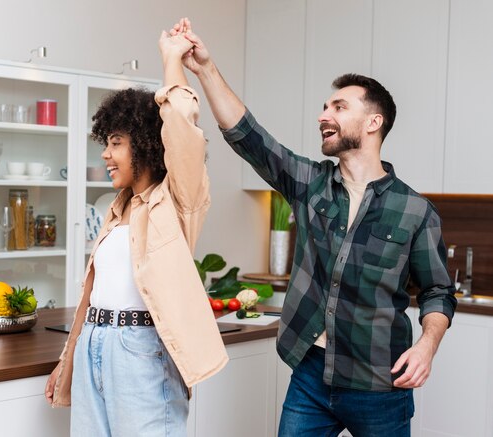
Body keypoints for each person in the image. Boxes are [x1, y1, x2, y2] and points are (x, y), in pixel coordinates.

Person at [170, 18, 457, 437]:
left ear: (373, 123)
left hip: (380, 382)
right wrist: (206, 68)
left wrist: (427, 346)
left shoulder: (414, 210)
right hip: (310, 374)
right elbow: (249, 137)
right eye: (325, 107)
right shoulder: (310, 184)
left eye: (339, 107)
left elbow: (437, 292)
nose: (325, 115)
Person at [44, 24, 228, 436]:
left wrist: (170, 58)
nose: (106, 155)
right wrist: (67, 360)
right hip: (97, 341)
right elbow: (90, 298)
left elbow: (181, 126)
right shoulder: (116, 210)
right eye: (105, 143)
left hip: (141, 351)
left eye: (115, 142)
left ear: (145, 143)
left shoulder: (178, 200)